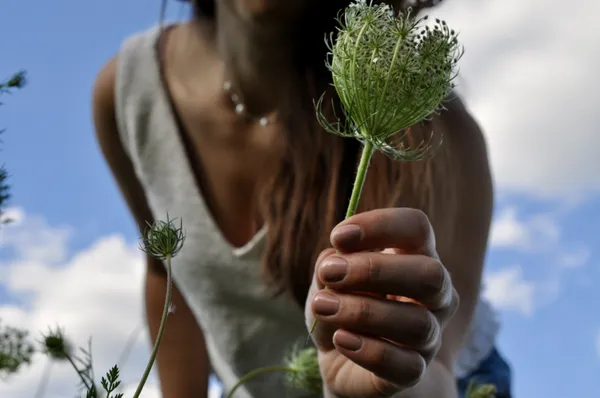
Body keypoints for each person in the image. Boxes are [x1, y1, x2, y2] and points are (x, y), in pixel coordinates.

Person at [92, 0, 512, 397]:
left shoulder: (437, 134)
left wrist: (389, 383)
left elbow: (436, 368)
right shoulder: (130, 92)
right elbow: (168, 272)